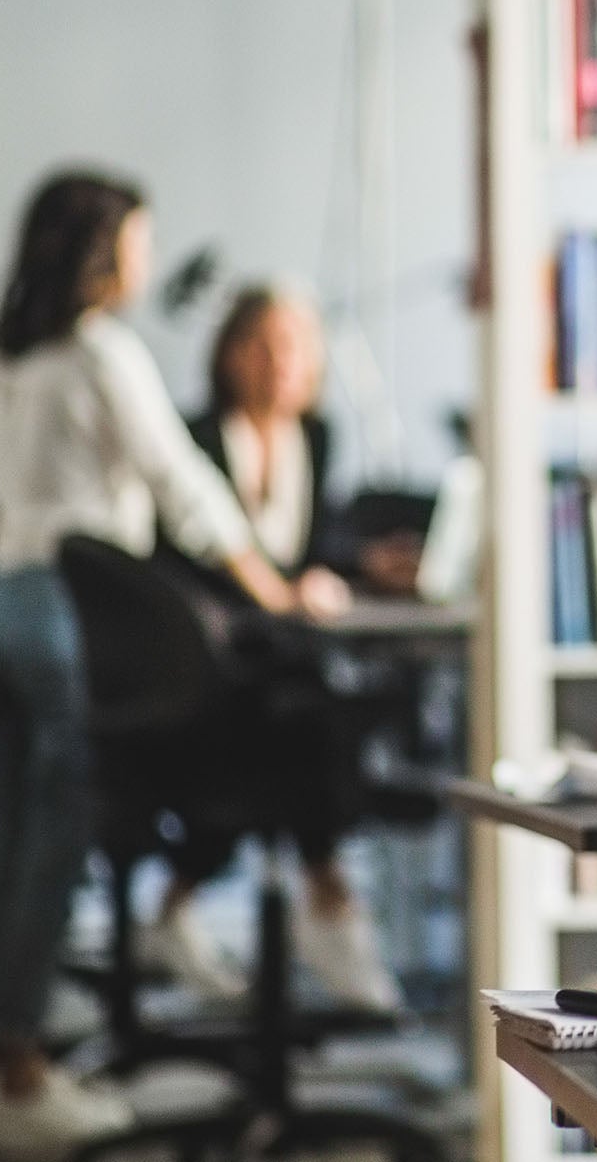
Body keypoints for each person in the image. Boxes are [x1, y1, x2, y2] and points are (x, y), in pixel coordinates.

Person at [0, 170, 307, 1159]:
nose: (147, 260)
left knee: (7, 840)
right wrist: (267, 583)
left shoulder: (3, 353)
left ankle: (9, 1050)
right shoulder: (98, 352)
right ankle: (24, 1077)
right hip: (66, 609)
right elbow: (181, 483)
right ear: (99, 251)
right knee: (52, 838)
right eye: (137, 241)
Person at [138, 284, 402, 1013]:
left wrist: (355, 568)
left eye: (294, 347)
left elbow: (309, 548)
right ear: (229, 352)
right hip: (207, 655)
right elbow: (185, 555)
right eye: (261, 344)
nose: (278, 363)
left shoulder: (316, 440)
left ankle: (183, 906)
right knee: (303, 730)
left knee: (305, 720)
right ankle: (330, 901)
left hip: (285, 652)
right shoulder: (191, 438)